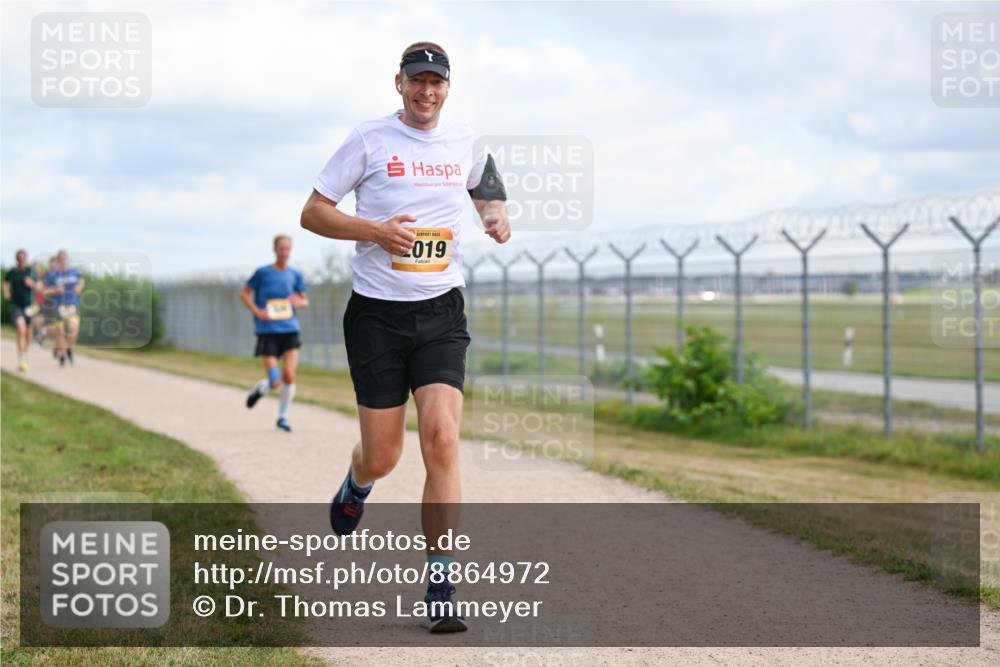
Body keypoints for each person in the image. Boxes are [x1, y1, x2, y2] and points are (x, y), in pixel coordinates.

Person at [300, 41, 511, 633]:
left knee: (442, 439)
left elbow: (485, 188)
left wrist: (494, 216)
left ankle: (440, 583)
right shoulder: (369, 139)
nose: (427, 92)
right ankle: (358, 478)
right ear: (399, 83)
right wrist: (374, 230)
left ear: (449, 87)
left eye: (436, 83)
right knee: (386, 455)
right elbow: (313, 212)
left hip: (442, 311)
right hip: (377, 317)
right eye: (416, 81)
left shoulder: (465, 140)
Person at [241, 234, 309, 432]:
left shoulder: (295, 274)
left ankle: (283, 417)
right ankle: (264, 387)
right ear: (275, 249)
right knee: (276, 381)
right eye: (281, 249)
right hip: (268, 331)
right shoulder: (263, 273)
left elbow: (304, 301)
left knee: (289, 375)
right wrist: (257, 311)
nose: (285, 253)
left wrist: (299, 301)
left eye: (288, 249)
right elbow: (244, 293)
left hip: (290, 330)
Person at [43, 250, 84, 367]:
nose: (62, 261)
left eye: (64, 258)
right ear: (58, 261)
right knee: (60, 332)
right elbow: (45, 291)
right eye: (60, 259)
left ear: (67, 259)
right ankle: (61, 355)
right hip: (58, 306)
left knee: (73, 330)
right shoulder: (53, 275)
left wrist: (79, 287)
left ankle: (69, 348)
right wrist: (55, 290)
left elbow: (82, 280)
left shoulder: (74, 272)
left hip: (72, 304)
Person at [3, 249, 38, 372]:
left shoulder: (31, 272)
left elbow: (41, 287)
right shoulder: (12, 272)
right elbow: (5, 283)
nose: (21, 260)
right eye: (19, 258)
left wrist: (32, 284)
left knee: (28, 333)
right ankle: (22, 359)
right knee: (21, 330)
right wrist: (6, 291)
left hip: (29, 306)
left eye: (23, 258)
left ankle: (24, 355)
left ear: (26, 259)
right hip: (16, 305)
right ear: (17, 259)